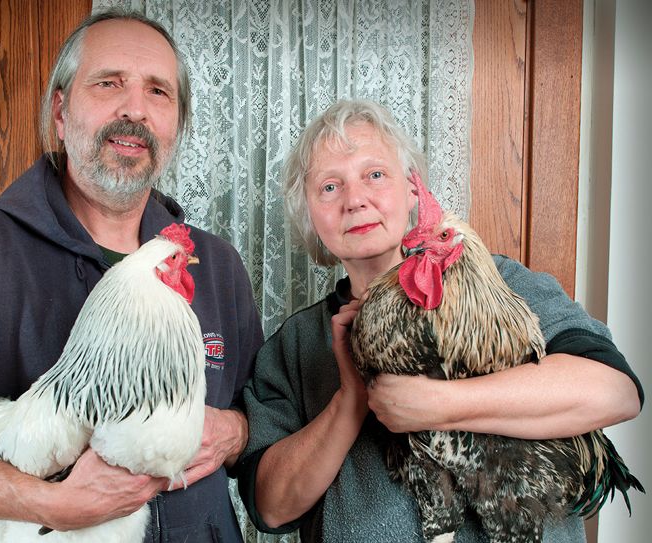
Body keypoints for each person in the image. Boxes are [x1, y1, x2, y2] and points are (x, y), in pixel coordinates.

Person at [0, 9, 263, 542]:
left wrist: (235, 433)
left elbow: (259, 422)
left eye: (158, 92)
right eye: (109, 84)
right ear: (60, 110)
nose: (135, 109)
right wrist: (54, 504)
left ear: (177, 123)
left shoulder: (213, 265)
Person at [236, 99, 644, 542]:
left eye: (375, 174)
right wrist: (352, 398)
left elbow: (614, 393)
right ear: (310, 216)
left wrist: (436, 404)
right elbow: (272, 508)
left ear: (413, 189)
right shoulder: (296, 344)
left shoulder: (502, 284)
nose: (355, 200)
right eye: (329, 187)